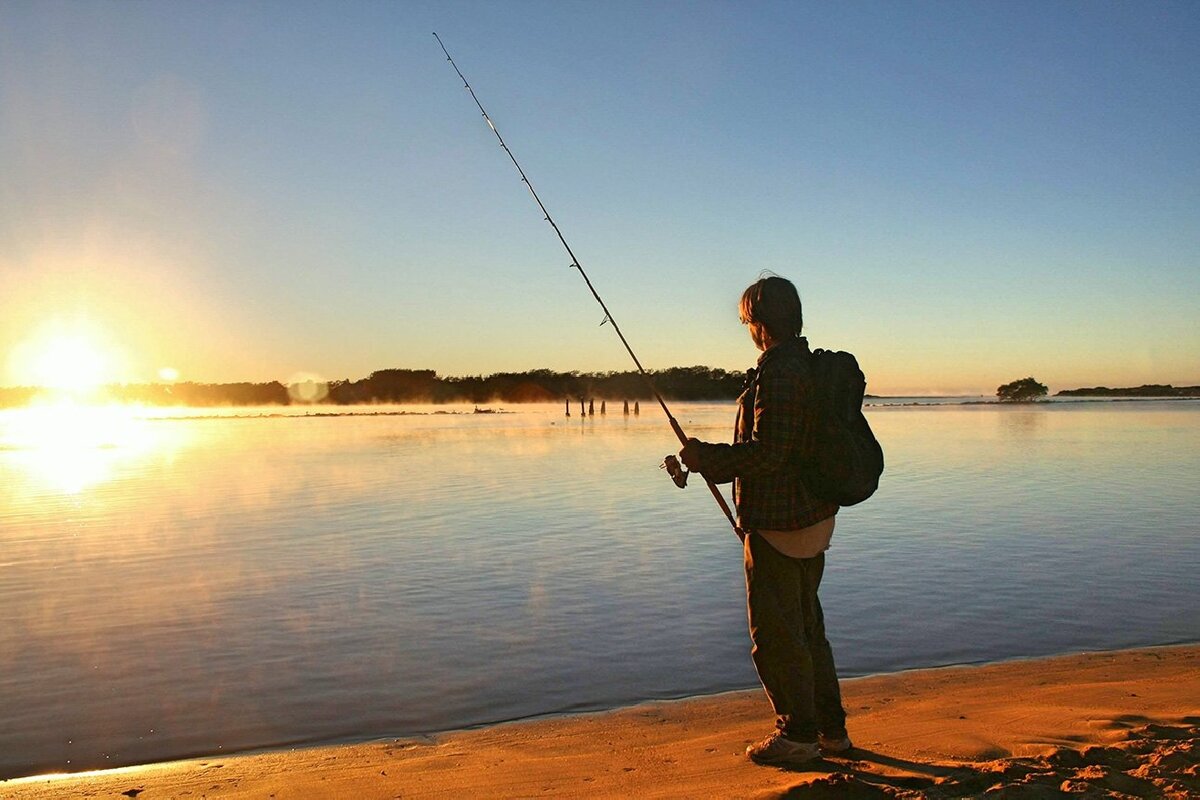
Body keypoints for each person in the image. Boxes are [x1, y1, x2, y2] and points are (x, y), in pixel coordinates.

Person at [679, 275, 852, 767]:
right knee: (808, 631)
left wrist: (707, 458)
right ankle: (831, 732)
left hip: (782, 523)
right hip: (813, 518)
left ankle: (797, 736)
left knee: (776, 639)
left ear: (759, 322)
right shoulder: (807, 367)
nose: (746, 330)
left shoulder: (779, 373)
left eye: (745, 320)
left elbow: (770, 454)